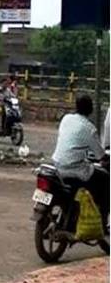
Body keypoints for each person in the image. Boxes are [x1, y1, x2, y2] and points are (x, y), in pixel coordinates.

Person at [51, 95, 108, 227]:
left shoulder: (66, 119)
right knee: (105, 180)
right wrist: (105, 159)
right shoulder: (89, 128)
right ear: (91, 110)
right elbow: (100, 156)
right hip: (75, 169)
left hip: (57, 165)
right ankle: (102, 221)